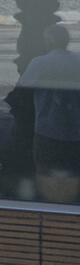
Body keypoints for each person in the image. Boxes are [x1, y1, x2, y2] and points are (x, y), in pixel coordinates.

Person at [20, 23, 80, 204]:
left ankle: (47, 214)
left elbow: (22, 91)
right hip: (75, 131)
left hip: (47, 130)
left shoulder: (40, 63)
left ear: (48, 42)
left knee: (45, 175)